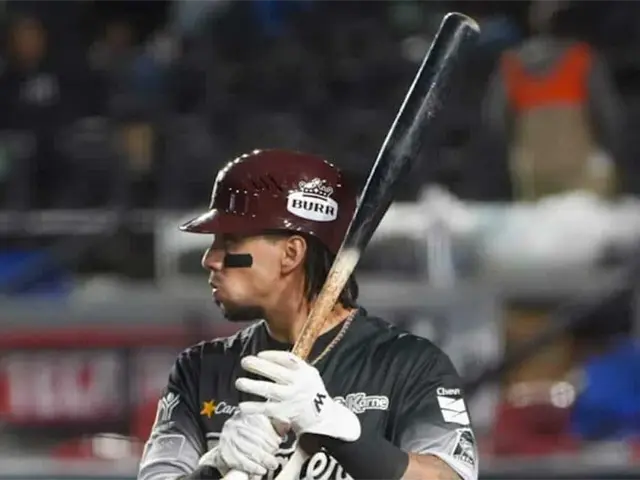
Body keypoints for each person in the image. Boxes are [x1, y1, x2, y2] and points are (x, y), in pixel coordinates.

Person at [138, 149, 478, 480]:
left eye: (229, 243)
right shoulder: (199, 371)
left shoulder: (409, 365)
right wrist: (214, 468)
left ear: (291, 253)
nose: (210, 259)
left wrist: (341, 432)